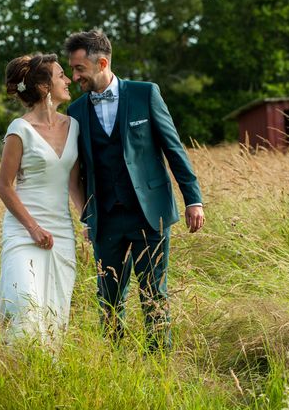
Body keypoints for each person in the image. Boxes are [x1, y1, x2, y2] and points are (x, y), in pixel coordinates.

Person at [65, 30, 205, 351]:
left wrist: (193, 198)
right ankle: (116, 361)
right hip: (106, 219)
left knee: (154, 293)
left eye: (79, 69)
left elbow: (174, 148)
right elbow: (78, 172)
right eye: (71, 70)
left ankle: (159, 363)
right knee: (109, 297)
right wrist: (88, 216)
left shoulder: (145, 94)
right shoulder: (74, 112)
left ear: (101, 63)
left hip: (150, 213)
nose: (74, 77)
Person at [0, 53, 85, 342]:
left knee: (54, 312)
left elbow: (73, 183)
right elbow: (4, 186)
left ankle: (45, 373)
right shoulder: (18, 130)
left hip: (60, 233)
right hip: (23, 232)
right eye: (61, 75)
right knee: (24, 304)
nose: (68, 80)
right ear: (44, 87)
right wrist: (33, 228)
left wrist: (89, 220)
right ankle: (15, 369)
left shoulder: (74, 127)